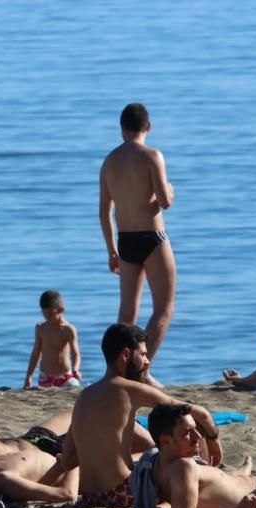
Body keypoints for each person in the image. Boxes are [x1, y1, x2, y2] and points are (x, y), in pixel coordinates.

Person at [59, 323, 221, 508]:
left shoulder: (84, 396)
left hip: (89, 498)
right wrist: (212, 438)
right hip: (123, 494)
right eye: (143, 354)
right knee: (190, 423)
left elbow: (67, 461)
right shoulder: (129, 390)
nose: (147, 361)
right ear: (126, 355)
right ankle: (210, 478)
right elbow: (200, 414)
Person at [99, 103, 176, 384]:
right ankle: (141, 370)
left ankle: (116, 374)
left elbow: (104, 211)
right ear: (149, 127)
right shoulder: (152, 156)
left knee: (127, 314)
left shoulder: (109, 162)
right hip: (152, 237)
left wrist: (111, 250)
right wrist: (171, 191)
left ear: (122, 129)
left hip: (125, 240)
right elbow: (164, 201)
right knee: (164, 309)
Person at [23, 290, 81, 389]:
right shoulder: (41, 328)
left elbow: (76, 354)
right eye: (44, 314)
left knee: (75, 388)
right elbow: (36, 353)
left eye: (50, 314)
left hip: (64, 376)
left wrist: (75, 369)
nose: (46, 317)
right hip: (45, 377)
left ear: (61, 310)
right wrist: (29, 376)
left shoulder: (68, 329)